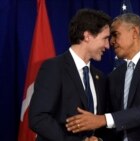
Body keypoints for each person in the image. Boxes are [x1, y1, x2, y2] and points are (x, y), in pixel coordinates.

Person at [66, 13, 140, 141]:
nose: (111, 42)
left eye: (115, 34)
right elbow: (114, 119)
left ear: (134, 32)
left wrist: (103, 119)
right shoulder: (115, 76)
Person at [29, 9, 111, 141]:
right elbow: (38, 118)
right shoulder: (54, 68)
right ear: (87, 36)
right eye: (105, 38)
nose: (107, 46)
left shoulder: (100, 77)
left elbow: (99, 122)